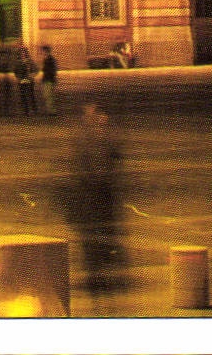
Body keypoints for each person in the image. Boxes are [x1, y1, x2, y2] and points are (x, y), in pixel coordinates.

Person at [64, 102, 126, 296]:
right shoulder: (84, 141)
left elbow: (113, 164)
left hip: (102, 200)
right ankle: (97, 279)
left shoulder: (100, 140)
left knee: (102, 241)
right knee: (93, 244)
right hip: (91, 201)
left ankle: (103, 277)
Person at [13, 44, 39, 114]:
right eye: (21, 52)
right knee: (23, 96)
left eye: (24, 52)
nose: (22, 54)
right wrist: (18, 78)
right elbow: (15, 71)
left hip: (30, 81)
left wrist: (32, 75)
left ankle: (34, 109)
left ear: (26, 53)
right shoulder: (18, 62)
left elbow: (36, 69)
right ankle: (26, 110)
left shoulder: (30, 61)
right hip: (21, 81)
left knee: (31, 95)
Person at [40, 45, 60, 115]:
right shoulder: (46, 59)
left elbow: (53, 70)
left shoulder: (50, 59)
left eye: (43, 51)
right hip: (46, 79)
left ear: (47, 51)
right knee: (47, 96)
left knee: (49, 96)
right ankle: (50, 110)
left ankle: (52, 111)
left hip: (49, 79)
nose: (42, 53)